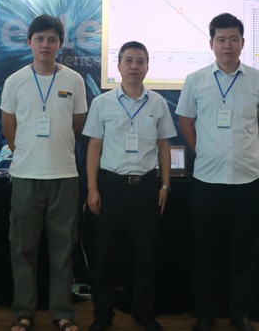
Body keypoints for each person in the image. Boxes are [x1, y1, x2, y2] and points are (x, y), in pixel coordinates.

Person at [175, 13, 259, 331]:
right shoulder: (195, 80)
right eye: (221, 39)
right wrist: (205, 151)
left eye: (233, 39)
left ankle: (240, 313)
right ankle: (206, 313)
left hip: (247, 179)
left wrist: (246, 148)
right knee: (206, 249)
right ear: (211, 44)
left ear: (243, 43)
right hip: (207, 180)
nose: (227, 45)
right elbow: (186, 122)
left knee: (243, 250)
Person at [1, 14, 88, 331]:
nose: (45, 45)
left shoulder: (74, 81)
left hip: (64, 177)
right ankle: (23, 313)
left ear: (60, 44)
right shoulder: (15, 82)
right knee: (23, 250)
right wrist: (29, 154)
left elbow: (76, 126)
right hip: (26, 176)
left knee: (62, 251)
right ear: (29, 42)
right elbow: (9, 129)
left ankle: (62, 313)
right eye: (40, 39)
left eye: (52, 39)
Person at [83, 41, 176, 331]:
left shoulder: (158, 103)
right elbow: (94, 147)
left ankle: (143, 313)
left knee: (146, 255)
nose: (134, 66)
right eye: (129, 60)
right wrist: (92, 188)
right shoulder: (102, 103)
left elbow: (164, 146)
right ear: (119, 65)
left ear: (147, 66)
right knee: (105, 254)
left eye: (140, 61)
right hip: (111, 186)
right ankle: (103, 313)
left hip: (147, 187)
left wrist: (165, 186)